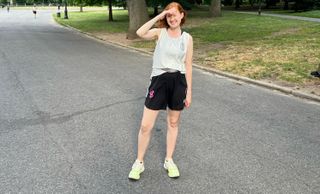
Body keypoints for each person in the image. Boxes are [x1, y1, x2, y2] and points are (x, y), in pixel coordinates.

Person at [128, 2, 193, 180]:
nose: (172, 18)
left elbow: (188, 65)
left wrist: (189, 91)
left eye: (175, 14)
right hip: (159, 81)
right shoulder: (160, 33)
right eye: (169, 15)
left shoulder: (187, 38)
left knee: (173, 123)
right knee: (145, 125)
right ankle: (139, 162)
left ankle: (169, 160)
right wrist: (159, 15)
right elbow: (139, 33)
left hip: (178, 81)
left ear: (181, 15)